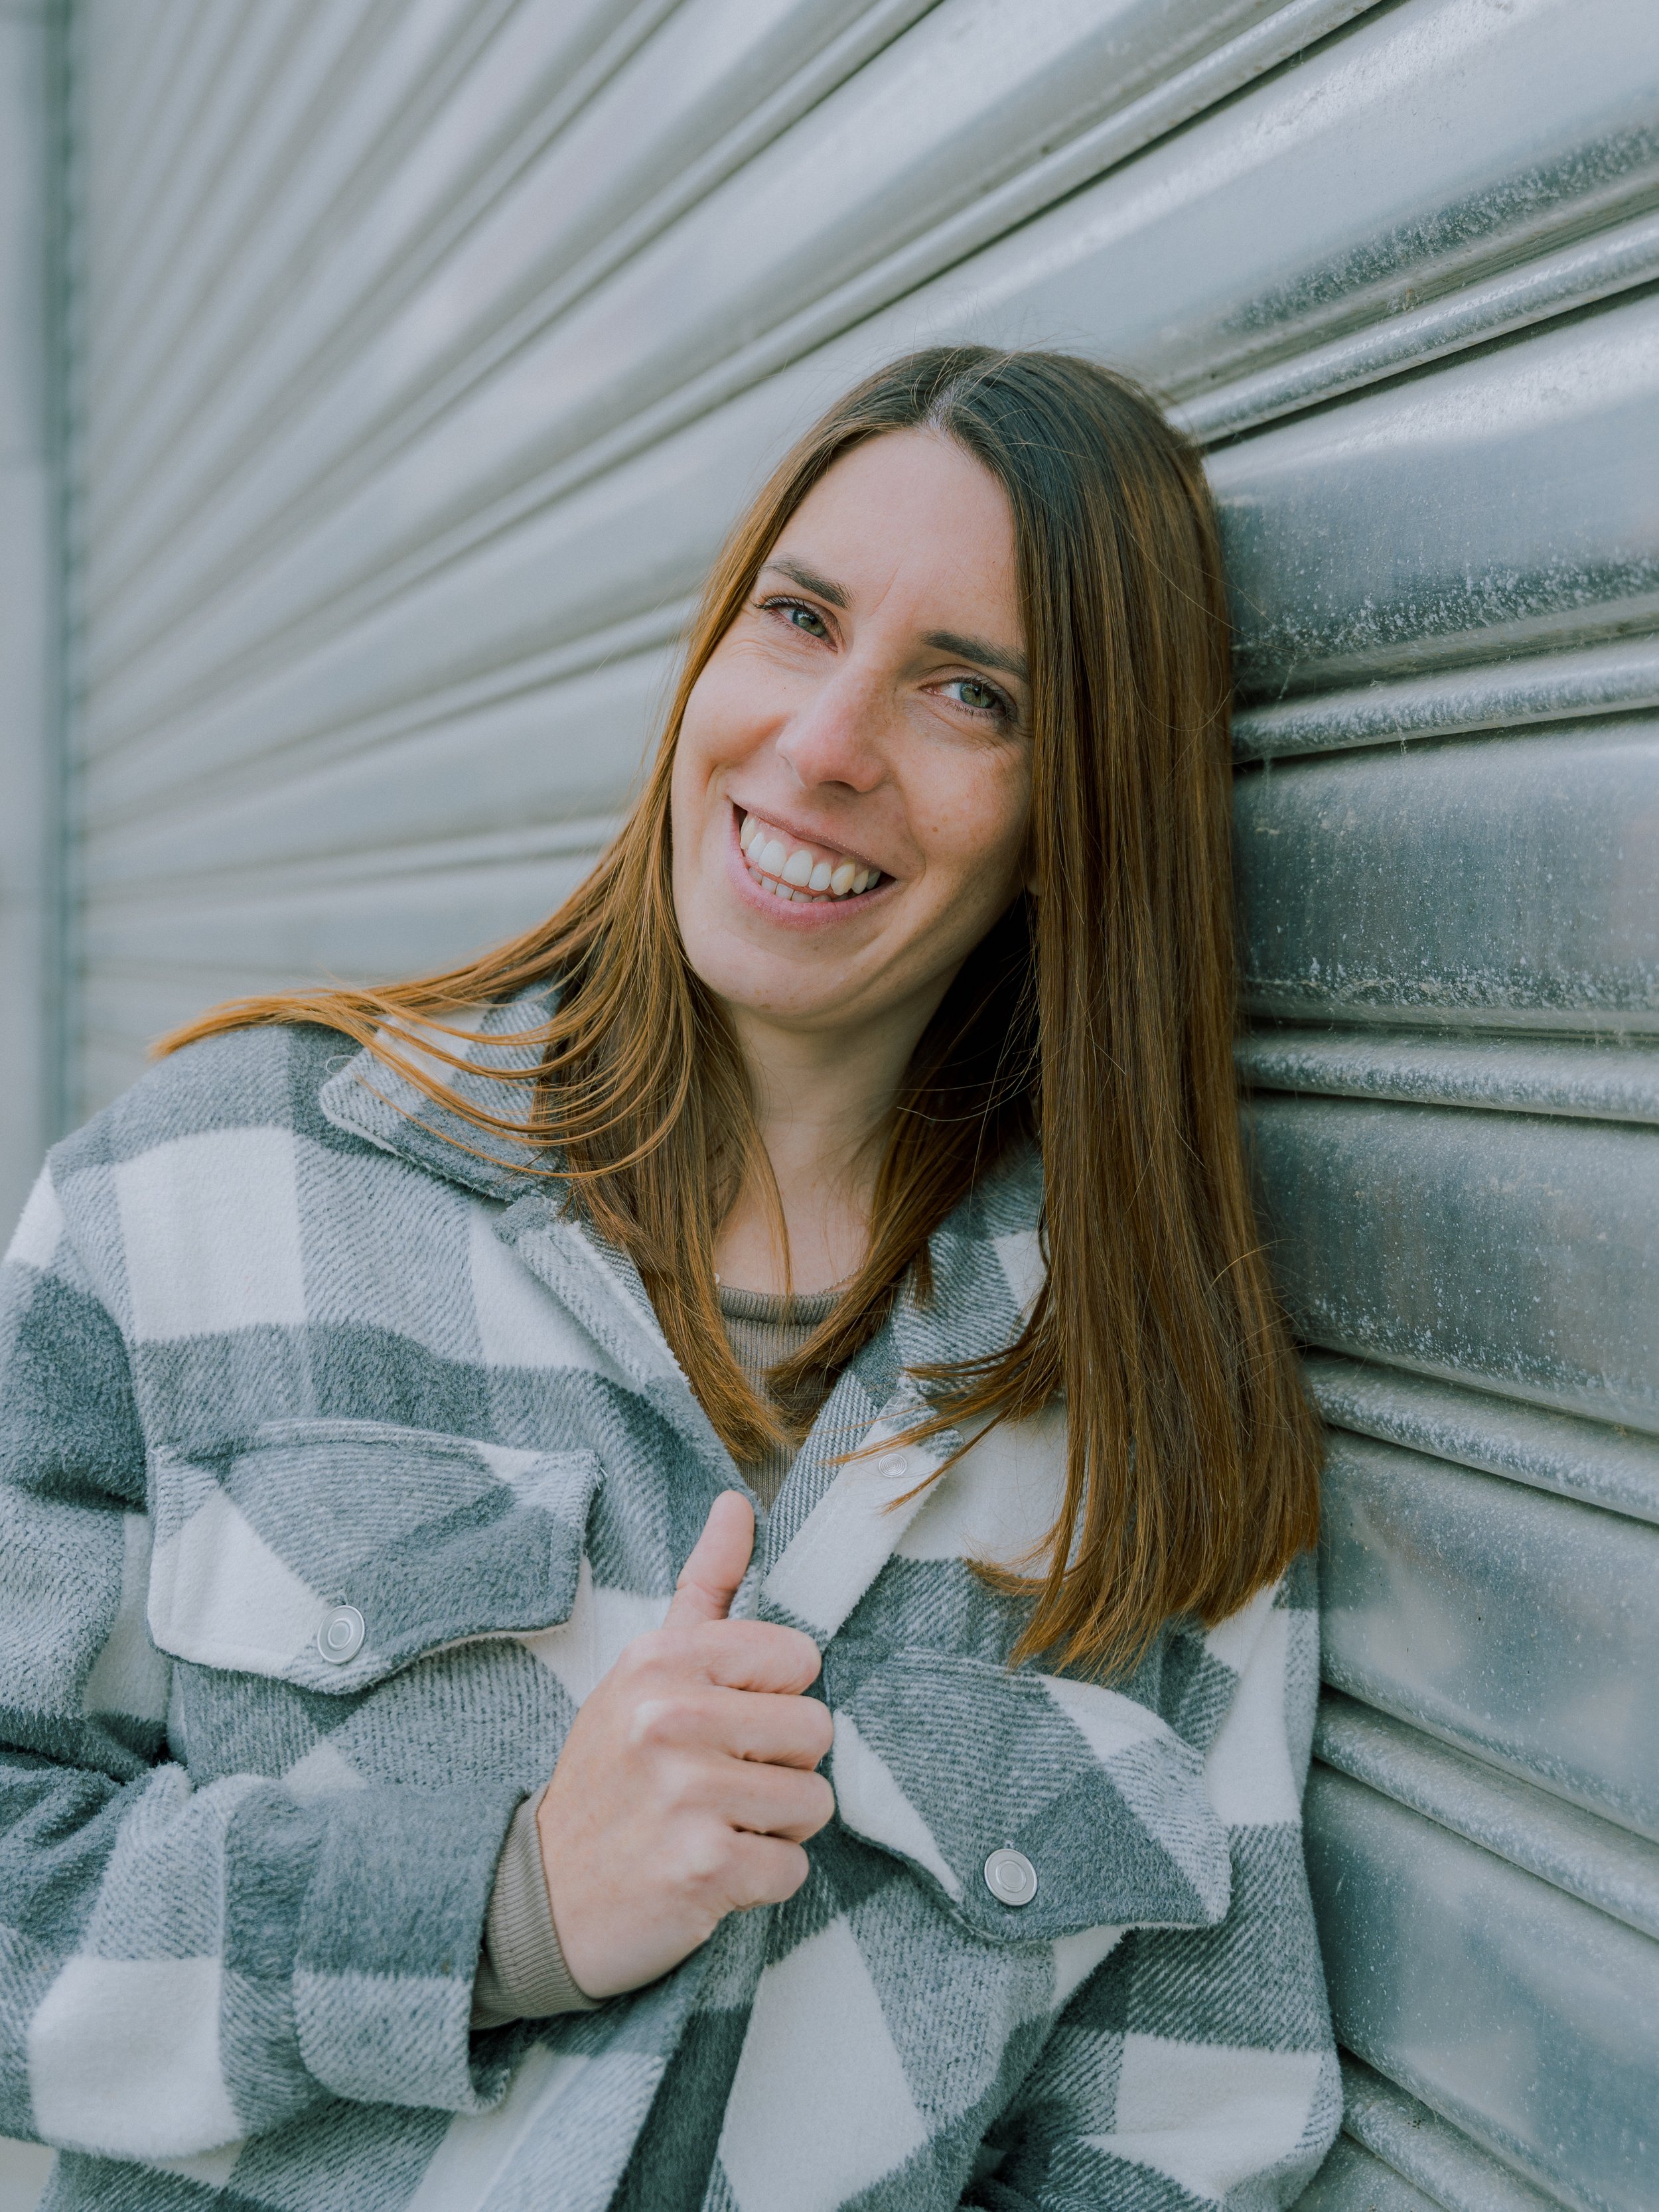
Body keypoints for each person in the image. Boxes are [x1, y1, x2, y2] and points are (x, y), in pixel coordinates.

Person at [0, 346, 1338, 2211]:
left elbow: (1183, 2132)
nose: (822, 745)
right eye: (800, 619)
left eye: (972, 694)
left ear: (1075, 826)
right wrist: (503, 1907)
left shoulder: (1143, 1423)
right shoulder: (213, 1185)